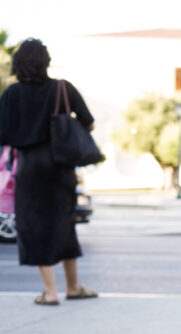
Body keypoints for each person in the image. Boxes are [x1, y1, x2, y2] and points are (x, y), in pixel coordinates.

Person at [0, 38, 98, 305]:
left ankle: (51, 292)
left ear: (18, 63)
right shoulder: (62, 89)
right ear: (46, 61)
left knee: (35, 226)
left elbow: (3, 135)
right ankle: (73, 287)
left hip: (29, 167)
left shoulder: (11, 94)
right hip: (61, 166)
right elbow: (89, 123)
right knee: (65, 223)